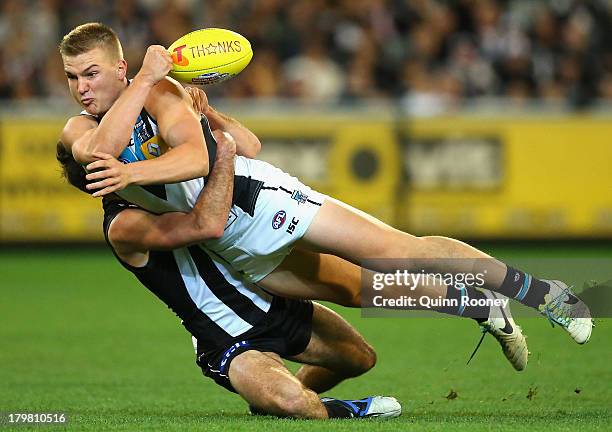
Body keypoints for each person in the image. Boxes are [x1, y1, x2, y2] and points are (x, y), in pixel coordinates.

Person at [62, 23, 582, 373]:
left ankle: (545, 295)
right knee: (364, 293)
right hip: (233, 249)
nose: (82, 88)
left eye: (91, 73)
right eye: (72, 77)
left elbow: (199, 160)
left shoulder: (161, 92)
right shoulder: (78, 128)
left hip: (257, 201)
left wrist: (153, 88)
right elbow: (97, 153)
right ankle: (479, 306)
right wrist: (146, 86)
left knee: (402, 252)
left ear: (121, 67)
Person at [57, 126, 402, 419]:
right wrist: (221, 152)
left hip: (272, 302)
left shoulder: (171, 184)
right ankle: (340, 409)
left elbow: (250, 146)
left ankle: (275, 396)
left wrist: (208, 117)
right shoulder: (122, 224)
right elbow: (207, 224)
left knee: (361, 358)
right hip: (226, 338)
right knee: (293, 401)